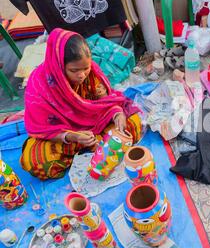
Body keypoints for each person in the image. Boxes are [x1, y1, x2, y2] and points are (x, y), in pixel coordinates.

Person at [20, 28, 142, 180]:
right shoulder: (39, 86)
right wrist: (73, 137)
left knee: (133, 123)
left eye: (86, 68)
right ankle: (101, 149)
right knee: (36, 161)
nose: (82, 75)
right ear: (58, 65)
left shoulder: (91, 74)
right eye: (74, 70)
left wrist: (117, 113)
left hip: (95, 125)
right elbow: (42, 128)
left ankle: (97, 148)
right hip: (65, 137)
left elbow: (107, 101)